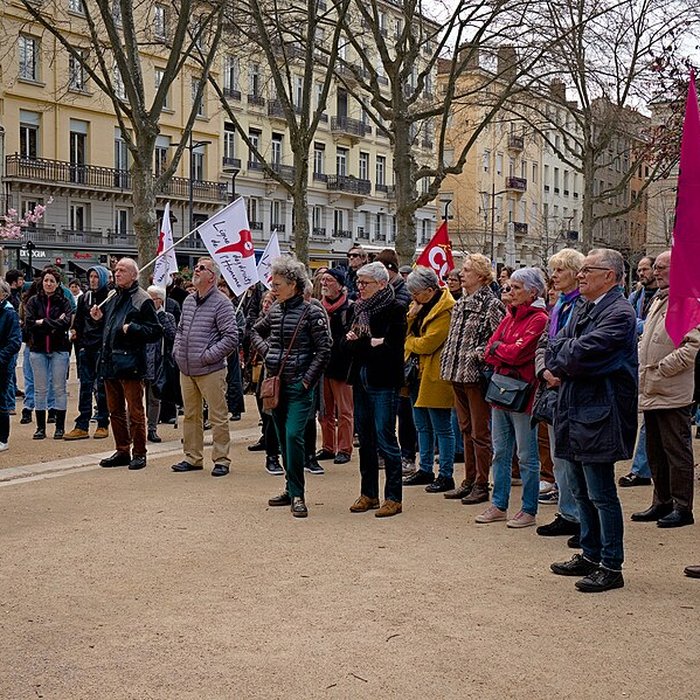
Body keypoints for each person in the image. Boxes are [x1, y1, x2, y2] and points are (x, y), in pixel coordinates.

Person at [547, 248, 637, 593]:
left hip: (602, 412)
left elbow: (580, 355)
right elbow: (555, 345)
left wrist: (563, 354)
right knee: (580, 491)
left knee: (601, 492)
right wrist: (562, 353)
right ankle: (590, 553)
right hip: (576, 408)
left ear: (610, 276)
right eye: (580, 270)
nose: (580, 275)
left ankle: (611, 565)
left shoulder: (620, 313)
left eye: (588, 270)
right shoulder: (586, 306)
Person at [251, 257, 331, 518]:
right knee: (283, 440)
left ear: (294, 285)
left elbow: (324, 349)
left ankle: (298, 494)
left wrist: (307, 380)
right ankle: (291, 487)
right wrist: (269, 353)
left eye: (278, 284)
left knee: (293, 436)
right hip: (276, 385)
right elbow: (254, 332)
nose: (273, 288)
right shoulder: (275, 309)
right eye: (273, 284)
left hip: (298, 386)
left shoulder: (313, 311)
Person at [630, 251, 700, 528]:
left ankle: (683, 507)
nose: (655, 272)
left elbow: (692, 347)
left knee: (676, 451)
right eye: (655, 267)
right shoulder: (659, 300)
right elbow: (646, 338)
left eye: (661, 267)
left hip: (672, 389)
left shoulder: (686, 301)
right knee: (655, 450)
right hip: (652, 387)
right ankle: (662, 502)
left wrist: (661, 368)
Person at [475, 268, 548, 528]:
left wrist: (501, 349)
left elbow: (519, 353)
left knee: (527, 456)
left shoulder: (539, 319)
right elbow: (489, 350)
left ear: (533, 291)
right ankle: (499, 504)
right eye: (509, 287)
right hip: (500, 392)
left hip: (523, 393)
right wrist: (503, 349)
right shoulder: (509, 316)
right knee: (501, 452)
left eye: (516, 287)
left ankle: (529, 509)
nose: (510, 292)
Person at [440, 254, 505, 504]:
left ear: (480, 275)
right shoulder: (460, 303)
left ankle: (481, 482)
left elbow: (496, 340)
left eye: (466, 270)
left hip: (475, 375)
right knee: (465, 429)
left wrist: (476, 355)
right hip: (456, 373)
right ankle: (468, 479)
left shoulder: (491, 304)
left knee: (480, 432)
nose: (461, 274)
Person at [346, 261, 407, 517]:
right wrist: (367, 342)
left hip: (383, 380)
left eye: (365, 283)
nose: (359, 287)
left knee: (386, 437)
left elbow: (393, 347)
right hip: (360, 378)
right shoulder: (357, 308)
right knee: (366, 439)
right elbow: (348, 343)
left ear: (381, 283)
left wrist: (368, 342)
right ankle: (368, 493)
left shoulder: (395, 309)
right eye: (358, 282)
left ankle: (393, 497)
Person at [91, 257, 162, 470]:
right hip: (110, 360)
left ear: (134, 275)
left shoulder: (143, 299)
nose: (117, 273)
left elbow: (155, 331)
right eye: (116, 270)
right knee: (115, 410)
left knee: (135, 411)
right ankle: (122, 449)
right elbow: (110, 326)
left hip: (130, 362)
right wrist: (99, 318)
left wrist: (133, 329)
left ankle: (139, 452)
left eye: (122, 270)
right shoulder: (113, 295)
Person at [534, 249, 585, 543]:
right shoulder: (560, 305)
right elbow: (545, 342)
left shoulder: (580, 305)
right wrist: (544, 371)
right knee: (558, 455)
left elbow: (575, 346)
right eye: (553, 271)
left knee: (573, 456)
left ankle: (579, 516)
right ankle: (566, 512)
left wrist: (560, 373)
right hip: (551, 385)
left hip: (569, 387)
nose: (554, 277)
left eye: (560, 271)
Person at [171, 258, 239, 477]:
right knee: (191, 415)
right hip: (186, 368)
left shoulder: (222, 303)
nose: (196, 271)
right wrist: (178, 352)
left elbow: (231, 337)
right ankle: (192, 457)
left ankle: (221, 459)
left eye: (202, 268)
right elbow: (180, 330)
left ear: (212, 276)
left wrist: (207, 356)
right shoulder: (189, 301)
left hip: (211, 369)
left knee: (218, 415)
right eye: (196, 267)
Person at [401, 266, 456, 493]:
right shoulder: (419, 307)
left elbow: (428, 343)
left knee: (442, 427)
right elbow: (408, 335)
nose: (413, 297)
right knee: (421, 425)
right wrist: (411, 318)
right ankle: (425, 468)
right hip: (417, 373)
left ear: (430, 290)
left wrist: (409, 342)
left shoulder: (445, 310)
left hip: (435, 374)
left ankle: (446, 474)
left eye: (416, 293)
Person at [618, 256, 658, 488]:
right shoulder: (636, 296)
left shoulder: (668, 296)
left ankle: (641, 469)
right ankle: (642, 468)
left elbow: (637, 323)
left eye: (646, 269)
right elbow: (627, 322)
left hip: (655, 362)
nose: (641, 273)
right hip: (635, 357)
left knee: (651, 420)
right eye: (640, 269)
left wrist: (640, 324)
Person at [24, 267, 73, 440]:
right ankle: (40, 428)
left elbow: (66, 322)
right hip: (38, 349)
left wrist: (42, 323)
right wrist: (51, 322)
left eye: (52, 280)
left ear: (57, 283)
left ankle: (59, 427)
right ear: (41, 282)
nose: (49, 283)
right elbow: (29, 323)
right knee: (40, 389)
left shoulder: (64, 302)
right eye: (46, 280)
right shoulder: (33, 301)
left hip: (59, 349)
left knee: (59, 388)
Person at [64, 265, 112, 440]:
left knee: (101, 387)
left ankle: (102, 423)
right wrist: (76, 333)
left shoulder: (110, 297)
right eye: (90, 276)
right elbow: (79, 322)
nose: (93, 280)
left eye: (96, 277)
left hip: (102, 347)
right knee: (84, 387)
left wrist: (101, 319)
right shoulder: (85, 298)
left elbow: (111, 322)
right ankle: (82, 424)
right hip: (86, 347)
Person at [317, 268, 354, 465]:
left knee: (345, 411)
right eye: (323, 280)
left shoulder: (350, 308)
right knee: (325, 411)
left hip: (343, 367)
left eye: (329, 280)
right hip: (323, 367)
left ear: (340, 285)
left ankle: (345, 448)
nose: (324, 284)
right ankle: (328, 447)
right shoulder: (317, 308)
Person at [144, 286, 177, 444]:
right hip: (142, 360)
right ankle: (133, 427)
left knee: (154, 398)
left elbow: (173, 336)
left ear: (160, 301)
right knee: (135, 397)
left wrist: (163, 319)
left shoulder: (167, 316)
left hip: (158, 362)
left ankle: (152, 428)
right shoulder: (142, 314)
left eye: (153, 299)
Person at [0, 280, 22, 451]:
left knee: (1, 401)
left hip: (2, 364)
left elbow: (14, 342)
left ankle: (3, 439)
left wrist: (1, 357)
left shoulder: (9, 313)